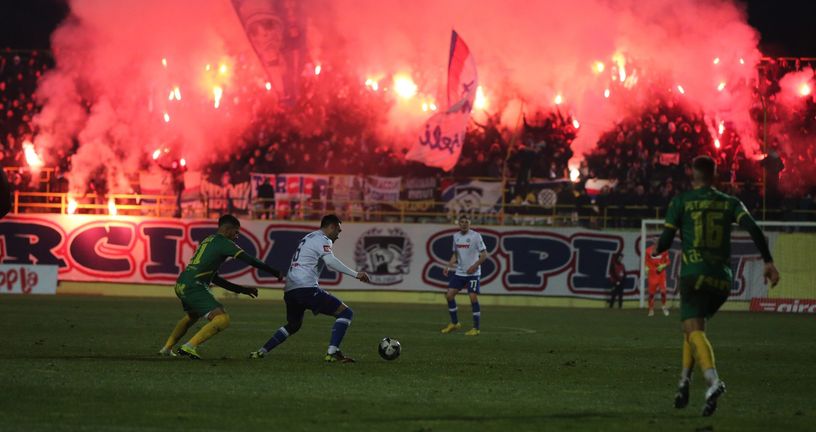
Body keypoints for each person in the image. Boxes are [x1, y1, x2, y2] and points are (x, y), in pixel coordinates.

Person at [652, 156, 779, 417]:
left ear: (692, 174)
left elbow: (665, 240)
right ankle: (683, 383)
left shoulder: (681, 201)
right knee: (694, 328)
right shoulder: (730, 202)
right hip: (722, 279)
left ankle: (712, 382)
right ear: (715, 175)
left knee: (692, 328)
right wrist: (768, 261)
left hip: (693, 274)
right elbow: (754, 228)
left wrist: (657, 247)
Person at [159, 214, 282, 359]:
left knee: (192, 316)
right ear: (228, 229)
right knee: (222, 319)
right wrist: (274, 272)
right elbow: (250, 260)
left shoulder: (208, 240)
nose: (237, 236)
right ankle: (189, 347)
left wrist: (241, 290)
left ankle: (166, 348)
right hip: (194, 285)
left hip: (182, 283)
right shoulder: (224, 243)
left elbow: (215, 279)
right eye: (236, 232)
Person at [250, 214, 370, 362]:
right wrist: (356, 274)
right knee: (346, 313)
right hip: (305, 288)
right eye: (338, 231)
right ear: (331, 227)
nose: (338, 236)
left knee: (293, 325)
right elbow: (330, 262)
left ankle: (260, 352)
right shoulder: (323, 239)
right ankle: (332, 352)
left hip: (290, 290)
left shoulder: (309, 237)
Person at [440, 214, 488, 336]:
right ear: (458, 224)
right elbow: (456, 254)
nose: (464, 224)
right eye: (461, 222)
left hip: (473, 274)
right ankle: (455, 323)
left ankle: (476, 328)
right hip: (460, 273)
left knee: (472, 297)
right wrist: (448, 266)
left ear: (470, 223)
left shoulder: (476, 236)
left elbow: (484, 255)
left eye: (466, 222)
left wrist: (475, 266)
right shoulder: (455, 236)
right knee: (449, 295)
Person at [644, 245, 670, 316]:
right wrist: (646, 267)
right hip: (652, 275)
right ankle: (651, 309)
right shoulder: (648, 250)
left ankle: (664, 307)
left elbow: (668, 262)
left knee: (663, 292)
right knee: (651, 294)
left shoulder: (664, 250)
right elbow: (646, 261)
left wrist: (663, 265)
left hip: (662, 275)